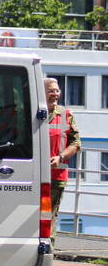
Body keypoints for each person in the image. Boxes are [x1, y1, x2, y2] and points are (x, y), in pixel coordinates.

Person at [46, 78, 80, 243]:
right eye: (51, 90)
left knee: (49, 215)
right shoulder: (31, 113)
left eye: (57, 90)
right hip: (31, 174)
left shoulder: (66, 115)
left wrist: (61, 157)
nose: (55, 94)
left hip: (56, 176)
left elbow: (76, 143)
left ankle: (47, 251)